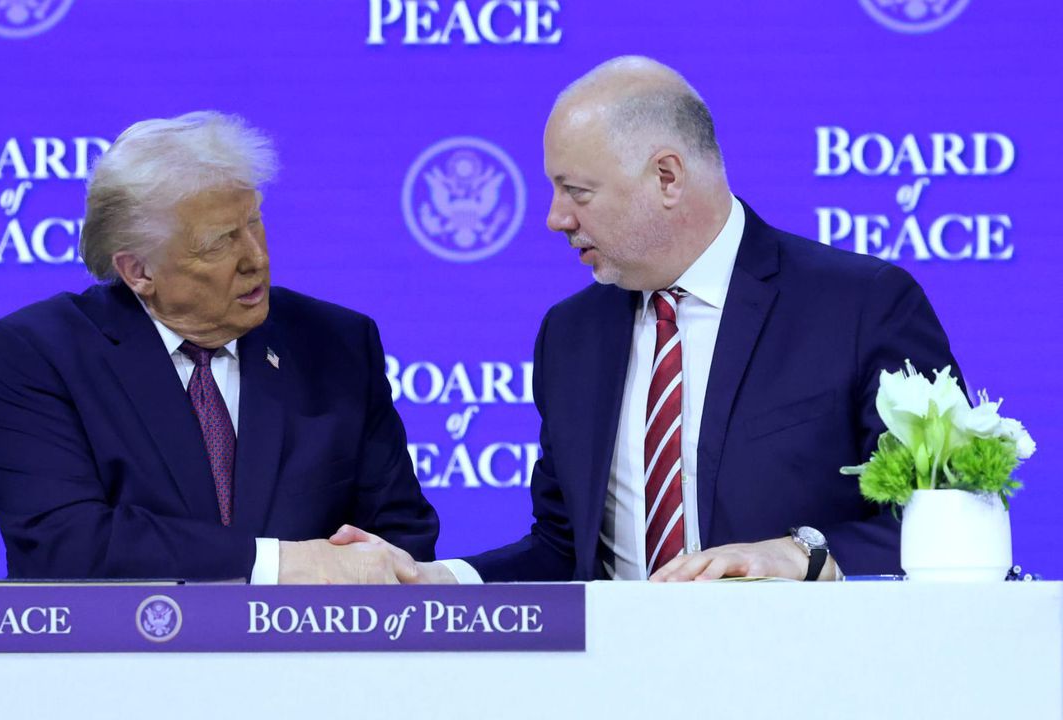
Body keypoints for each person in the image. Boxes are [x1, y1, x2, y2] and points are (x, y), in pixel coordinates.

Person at [333, 56, 961, 583]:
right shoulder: (571, 335)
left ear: (666, 176)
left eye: (577, 191)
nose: (555, 218)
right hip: (616, 675)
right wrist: (442, 581)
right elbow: (562, 548)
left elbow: (952, 515)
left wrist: (803, 555)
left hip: (805, 667)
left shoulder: (859, 306)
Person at [0, 111, 438, 583]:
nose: (256, 258)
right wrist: (279, 564)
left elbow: (401, 544)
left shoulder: (337, 345)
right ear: (139, 271)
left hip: (312, 633)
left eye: (254, 223)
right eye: (219, 243)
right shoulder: (42, 353)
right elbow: (65, 543)